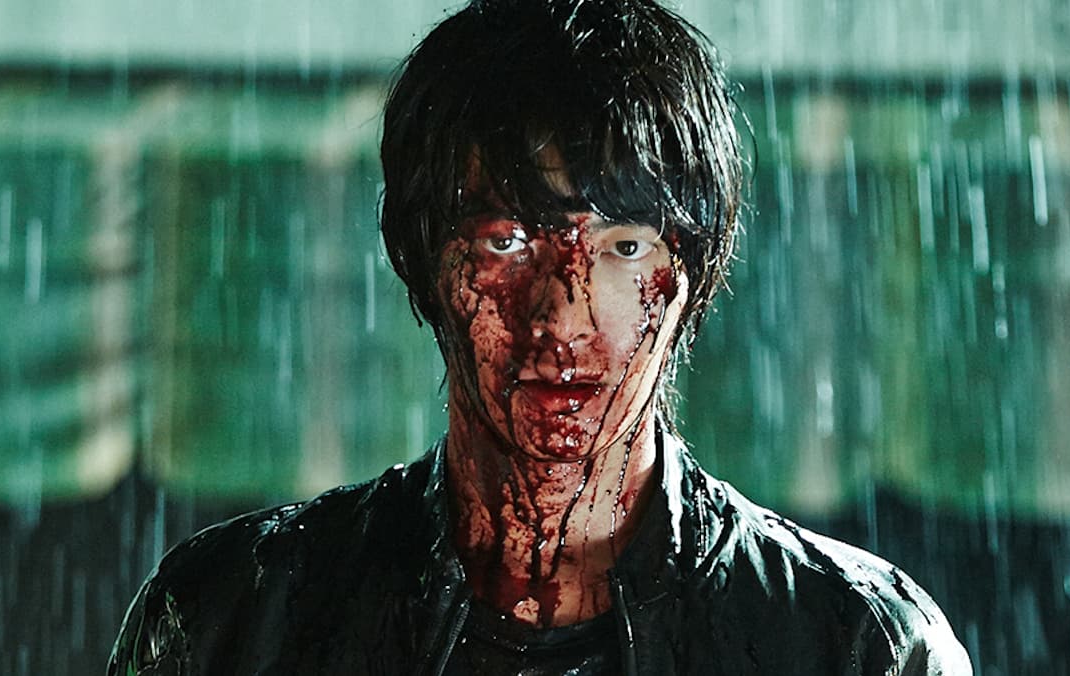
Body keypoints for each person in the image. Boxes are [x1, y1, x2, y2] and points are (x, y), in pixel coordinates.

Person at [109, 0, 970, 673]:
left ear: (689, 273)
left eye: (623, 248)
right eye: (506, 242)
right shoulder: (227, 619)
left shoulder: (857, 646)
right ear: (423, 260)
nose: (563, 319)